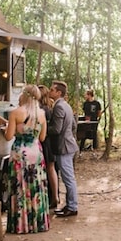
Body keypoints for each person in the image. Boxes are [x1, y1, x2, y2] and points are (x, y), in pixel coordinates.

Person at [4, 84, 50, 233]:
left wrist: (7, 127)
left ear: (24, 95)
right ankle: (37, 222)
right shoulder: (41, 114)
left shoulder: (15, 113)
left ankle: (20, 224)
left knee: (20, 187)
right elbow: (42, 137)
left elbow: (8, 136)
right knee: (36, 187)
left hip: (20, 154)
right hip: (36, 153)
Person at [49, 80, 80, 217]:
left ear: (59, 93)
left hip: (64, 147)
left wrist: (41, 128)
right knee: (68, 177)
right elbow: (73, 126)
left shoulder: (59, 107)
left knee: (68, 178)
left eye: (52, 90)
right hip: (68, 144)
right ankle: (69, 205)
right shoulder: (66, 105)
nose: (50, 91)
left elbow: (56, 129)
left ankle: (72, 207)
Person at [38, 84, 58, 210]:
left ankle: (52, 196)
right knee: (51, 168)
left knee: (48, 169)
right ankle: (54, 196)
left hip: (45, 142)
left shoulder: (42, 110)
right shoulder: (49, 108)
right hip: (50, 143)